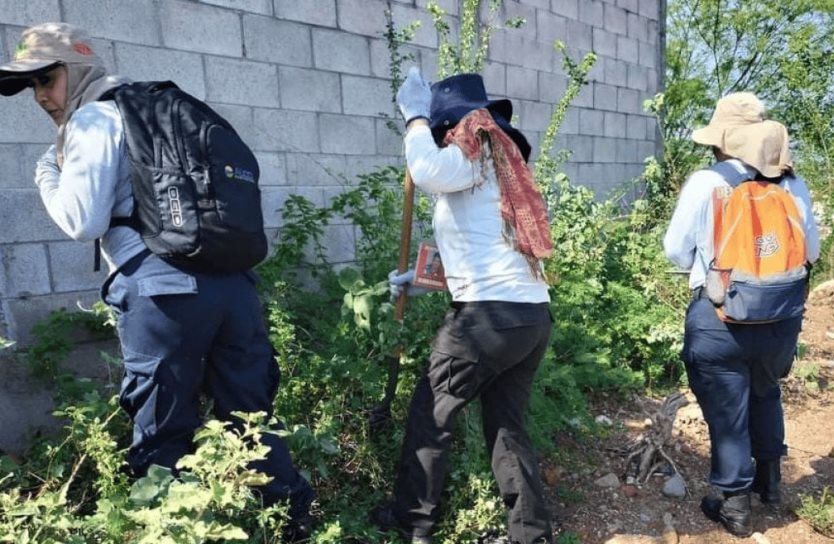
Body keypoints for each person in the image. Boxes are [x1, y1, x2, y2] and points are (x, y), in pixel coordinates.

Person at [0, 23, 314, 540]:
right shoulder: (155, 110)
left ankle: (170, 526)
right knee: (249, 417)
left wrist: (45, 172)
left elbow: (83, 221)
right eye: (30, 86)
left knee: (163, 425)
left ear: (76, 69)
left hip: (162, 291)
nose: (40, 96)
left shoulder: (94, 117)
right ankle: (293, 519)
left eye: (46, 79)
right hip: (234, 287)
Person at [372, 67, 555, 544]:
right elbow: (482, 253)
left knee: (431, 414)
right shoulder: (496, 164)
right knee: (507, 429)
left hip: (487, 320)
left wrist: (413, 116)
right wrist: (419, 280)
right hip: (529, 317)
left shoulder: (473, 146)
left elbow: (424, 169)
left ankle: (414, 522)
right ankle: (531, 535)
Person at [663, 92, 820, 537]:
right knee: (766, 389)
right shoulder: (793, 184)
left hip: (721, 315)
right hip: (781, 316)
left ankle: (735, 506)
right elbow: (811, 251)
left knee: (727, 409)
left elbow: (675, 250)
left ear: (722, 140)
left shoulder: (707, 182)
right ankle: (771, 484)